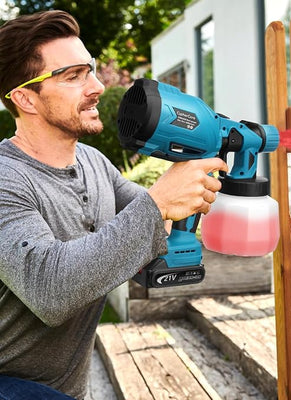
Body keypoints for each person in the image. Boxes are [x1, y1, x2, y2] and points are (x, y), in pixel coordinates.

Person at [0, 10, 227, 400]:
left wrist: (191, 190)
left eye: (90, 70)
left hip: (64, 390)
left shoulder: (94, 163)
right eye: (74, 76)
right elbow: (50, 290)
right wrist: (159, 203)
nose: (98, 86)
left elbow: (151, 226)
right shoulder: (7, 180)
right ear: (25, 98)